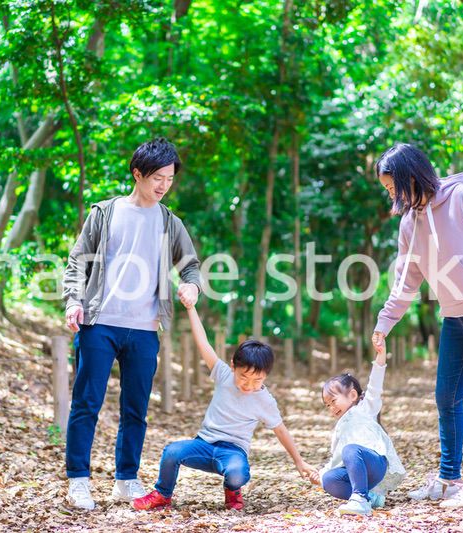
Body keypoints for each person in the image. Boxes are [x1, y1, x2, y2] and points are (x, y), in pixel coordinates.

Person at [371, 143, 463, 507]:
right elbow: (406, 281)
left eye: (392, 186)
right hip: (454, 317)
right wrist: (384, 322)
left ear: (410, 176)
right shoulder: (410, 223)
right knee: (446, 398)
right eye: (387, 189)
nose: (391, 194)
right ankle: (449, 479)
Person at [61, 138, 202, 510]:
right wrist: (73, 301)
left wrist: (191, 285)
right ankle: (78, 480)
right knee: (86, 403)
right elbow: (76, 261)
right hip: (99, 323)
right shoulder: (105, 213)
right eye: (157, 178)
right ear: (137, 174)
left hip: (144, 329)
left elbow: (190, 265)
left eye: (169, 179)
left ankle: (125, 479)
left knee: (135, 408)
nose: (163, 186)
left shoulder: (170, 222)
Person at [132, 304, 317, 511]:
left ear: (266, 376)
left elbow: (281, 430)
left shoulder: (265, 400)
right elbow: (203, 343)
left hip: (233, 451)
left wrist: (299, 462)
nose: (248, 385)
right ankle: (162, 494)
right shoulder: (223, 375)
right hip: (204, 444)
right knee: (171, 452)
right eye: (243, 377)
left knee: (237, 473)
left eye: (257, 380)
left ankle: (232, 492)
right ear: (233, 366)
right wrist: (192, 308)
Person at [309, 343, 406, 516]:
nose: (331, 408)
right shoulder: (341, 427)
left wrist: (381, 355)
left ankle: (360, 499)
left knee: (351, 450)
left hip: (374, 464)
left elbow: (375, 384)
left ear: (352, 395)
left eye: (334, 401)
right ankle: (370, 498)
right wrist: (321, 474)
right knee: (329, 480)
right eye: (327, 405)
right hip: (355, 471)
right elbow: (337, 457)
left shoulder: (366, 408)